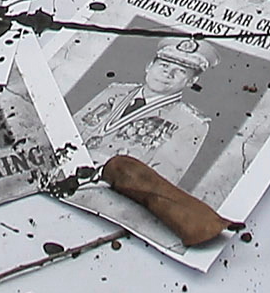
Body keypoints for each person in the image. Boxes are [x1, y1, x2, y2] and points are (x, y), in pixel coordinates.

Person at [72, 36, 214, 185]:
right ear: (149, 66)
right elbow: (71, 127)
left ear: (191, 81)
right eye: (164, 66)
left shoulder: (191, 123)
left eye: (180, 71)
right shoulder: (115, 91)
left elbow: (159, 181)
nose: (168, 74)